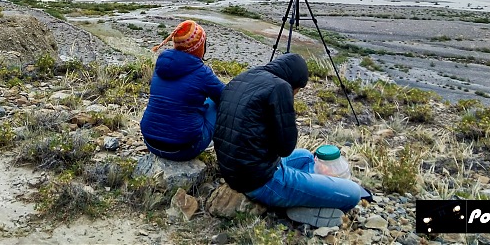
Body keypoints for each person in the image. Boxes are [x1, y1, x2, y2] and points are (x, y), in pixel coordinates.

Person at [213, 53, 369, 227]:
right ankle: (302, 206)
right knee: (353, 193)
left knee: (304, 156)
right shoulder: (280, 87)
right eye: (298, 90)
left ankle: (310, 189)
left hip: (233, 170)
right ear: (295, 83)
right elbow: (285, 147)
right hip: (260, 180)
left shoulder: (244, 77)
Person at [140, 20, 225, 161]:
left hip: (150, 142)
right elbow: (226, 96)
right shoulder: (202, 72)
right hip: (183, 149)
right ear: (199, 47)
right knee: (216, 103)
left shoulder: (161, 64)